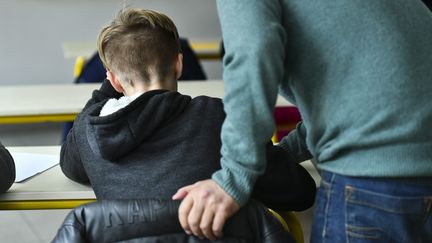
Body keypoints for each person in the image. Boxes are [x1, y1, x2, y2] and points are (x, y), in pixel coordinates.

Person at [174, 0, 432, 242]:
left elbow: (252, 52)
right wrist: (278, 156)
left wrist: (233, 177)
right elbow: (371, 95)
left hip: (373, 176)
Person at [60, 7, 315, 214]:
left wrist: (108, 88)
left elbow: (70, 166)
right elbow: (299, 192)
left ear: (114, 81)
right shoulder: (215, 117)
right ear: (179, 64)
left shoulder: (90, 130)